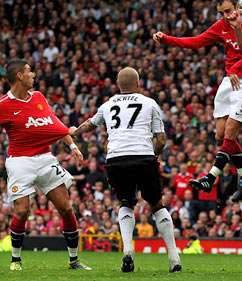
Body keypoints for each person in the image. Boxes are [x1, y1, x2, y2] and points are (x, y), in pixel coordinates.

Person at [153, 0, 242, 201]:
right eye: (222, 13)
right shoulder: (220, 26)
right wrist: (166, 39)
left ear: (237, 5)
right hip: (229, 80)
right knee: (220, 136)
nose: (226, 15)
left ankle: (211, 176)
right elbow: (195, 42)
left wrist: (237, 64)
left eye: (228, 10)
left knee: (231, 131)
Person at [70, 67, 181, 273]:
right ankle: (174, 258)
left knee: (125, 203)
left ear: (118, 85)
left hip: (116, 160)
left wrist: (74, 132)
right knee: (156, 204)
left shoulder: (108, 103)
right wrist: (153, 156)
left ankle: (128, 250)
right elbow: (161, 139)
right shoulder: (149, 103)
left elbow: (90, 124)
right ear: (138, 84)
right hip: (143, 157)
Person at [0, 59, 90, 271]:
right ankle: (15, 260)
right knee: (22, 211)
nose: (34, 75)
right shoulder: (3, 105)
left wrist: (73, 146)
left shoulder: (39, 97)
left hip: (45, 159)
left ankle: (74, 261)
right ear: (19, 76)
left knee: (66, 208)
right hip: (20, 162)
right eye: (29, 71)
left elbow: (54, 124)